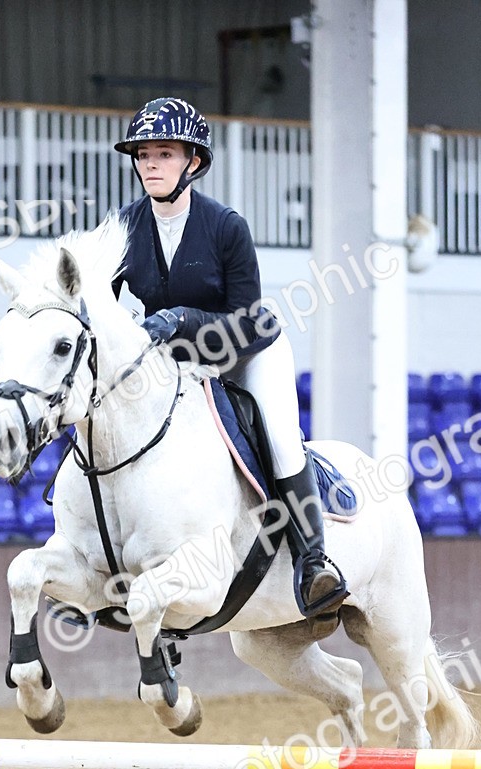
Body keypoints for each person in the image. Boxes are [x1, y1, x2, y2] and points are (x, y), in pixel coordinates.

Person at [113, 96, 348, 635]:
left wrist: (178, 318)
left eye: (164, 153)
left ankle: (315, 562)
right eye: (143, 154)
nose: (150, 163)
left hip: (245, 352)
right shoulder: (125, 227)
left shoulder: (226, 227)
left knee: (282, 437)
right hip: (178, 367)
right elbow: (99, 305)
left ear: (192, 162)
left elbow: (244, 321)